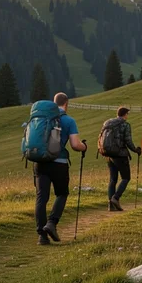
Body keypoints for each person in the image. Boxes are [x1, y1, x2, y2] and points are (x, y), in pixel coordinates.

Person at [35, 92, 87, 245]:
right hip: (59, 163)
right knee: (62, 194)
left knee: (41, 198)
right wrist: (84, 147)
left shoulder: (42, 118)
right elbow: (75, 145)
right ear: (66, 103)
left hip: (40, 162)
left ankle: (42, 236)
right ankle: (52, 223)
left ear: (54, 103)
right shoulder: (68, 120)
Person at [104, 106, 141, 211]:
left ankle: (111, 205)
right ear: (125, 114)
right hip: (120, 155)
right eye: (127, 114)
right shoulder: (125, 125)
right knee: (126, 178)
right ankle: (115, 198)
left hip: (108, 154)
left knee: (113, 179)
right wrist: (135, 150)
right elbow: (128, 141)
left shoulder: (108, 123)